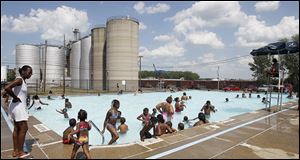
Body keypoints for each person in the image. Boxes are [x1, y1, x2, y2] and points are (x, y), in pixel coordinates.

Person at [4, 65, 32, 158]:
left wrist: (14, 97)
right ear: (23, 72)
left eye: (31, 72)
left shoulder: (22, 81)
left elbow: (9, 90)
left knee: (17, 128)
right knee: (24, 128)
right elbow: (7, 87)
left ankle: (15, 151)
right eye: (29, 72)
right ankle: (20, 152)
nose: (30, 74)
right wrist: (15, 97)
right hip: (18, 107)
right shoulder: (19, 80)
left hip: (16, 107)